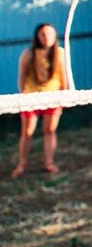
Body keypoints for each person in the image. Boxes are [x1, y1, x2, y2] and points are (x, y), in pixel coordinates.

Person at [11, 23, 68, 178]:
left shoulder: (60, 53)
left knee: (49, 130)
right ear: (37, 36)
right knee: (27, 131)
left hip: (53, 97)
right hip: (31, 97)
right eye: (42, 34)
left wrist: (64, 96)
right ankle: (22, 164)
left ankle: (49, 162)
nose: (46, 37)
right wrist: (22, 95)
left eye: (49, 34)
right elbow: (22, 76)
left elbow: (64, 76)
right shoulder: (28, 54)